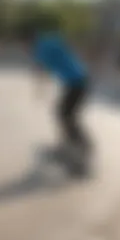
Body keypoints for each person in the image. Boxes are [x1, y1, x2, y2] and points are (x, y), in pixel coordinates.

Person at [25, 29, 92, 167]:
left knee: (66, 115)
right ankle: (71, 144)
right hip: (80, 79)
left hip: (76, 83)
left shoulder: (39, 49)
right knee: (65, 114)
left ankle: (83, 146)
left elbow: (41, 69)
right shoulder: (51, 38)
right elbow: (68, 42)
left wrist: (39, 87)